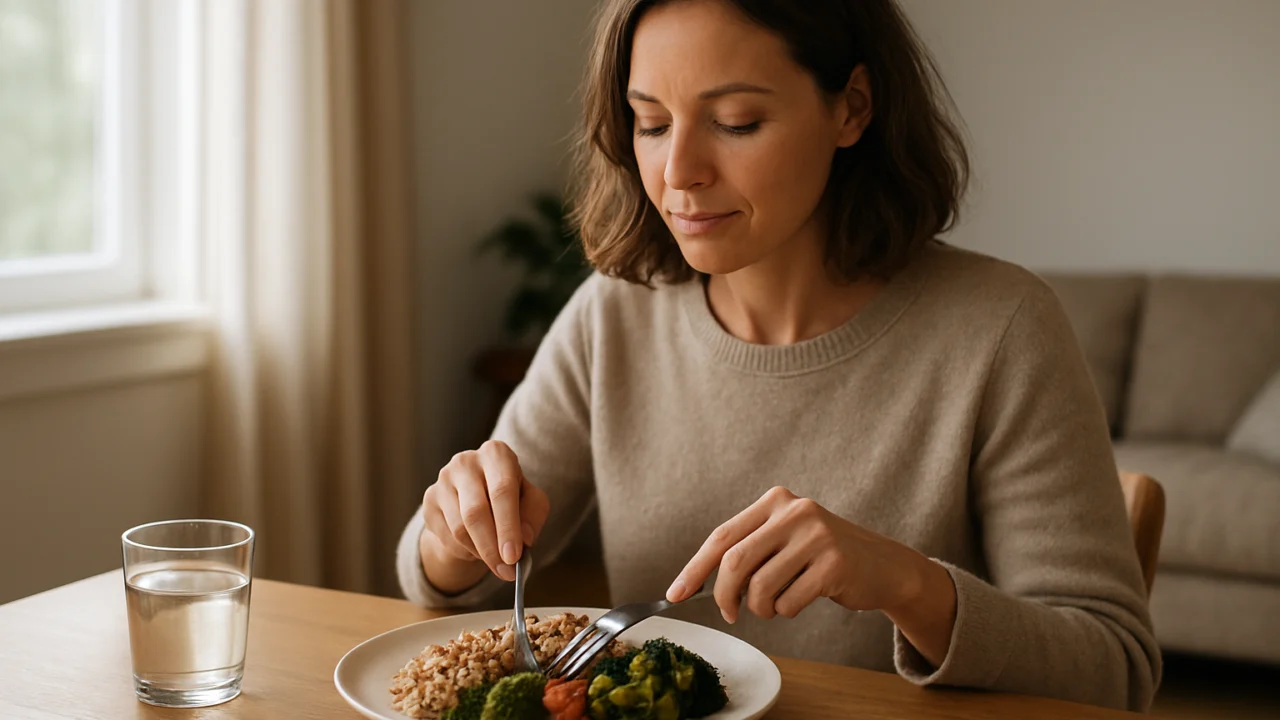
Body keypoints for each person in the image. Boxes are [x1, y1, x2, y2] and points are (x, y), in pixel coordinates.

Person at [397, 0, 1161, 711]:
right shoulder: (615, 311)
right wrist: (454, 533)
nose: (678, 172)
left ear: (851, 108)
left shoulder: (1001, 327)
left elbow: (1115, 667)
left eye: (735, 122)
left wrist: (907, 583)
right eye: (651, 123)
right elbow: (432, 582)